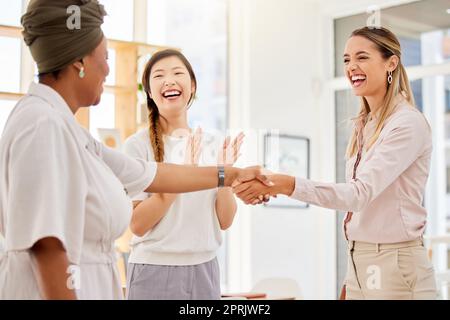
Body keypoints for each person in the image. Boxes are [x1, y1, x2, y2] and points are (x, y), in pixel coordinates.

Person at [0, 0, 268, 300]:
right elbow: (47, 247)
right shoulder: (41, 124)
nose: (108, 69)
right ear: (80, 62)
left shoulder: (70, 131)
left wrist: (232, 174)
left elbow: (151, 174)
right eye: (104, 56)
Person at [233, 26, 437, 300]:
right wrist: (351, 276)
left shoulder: (406, 124)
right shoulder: (364, 125)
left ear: (391, 62)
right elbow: (361, 212)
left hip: (394, 263)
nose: (352, 66)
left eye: (362, 57)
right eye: (346, 59)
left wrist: (284, 185)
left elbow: (358, 195)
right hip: (360, 257)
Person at [124, 49, 242, 300]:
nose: (169, 80)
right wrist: (182, 176)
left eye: (177, 73)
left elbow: (225, 221)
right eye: (159, 76)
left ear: (193, 86)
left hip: (205, 269)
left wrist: (226, 179)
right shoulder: (137, 146)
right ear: (149, 91)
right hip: (153, 270)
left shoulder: (212, 144)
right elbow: (138, 224)